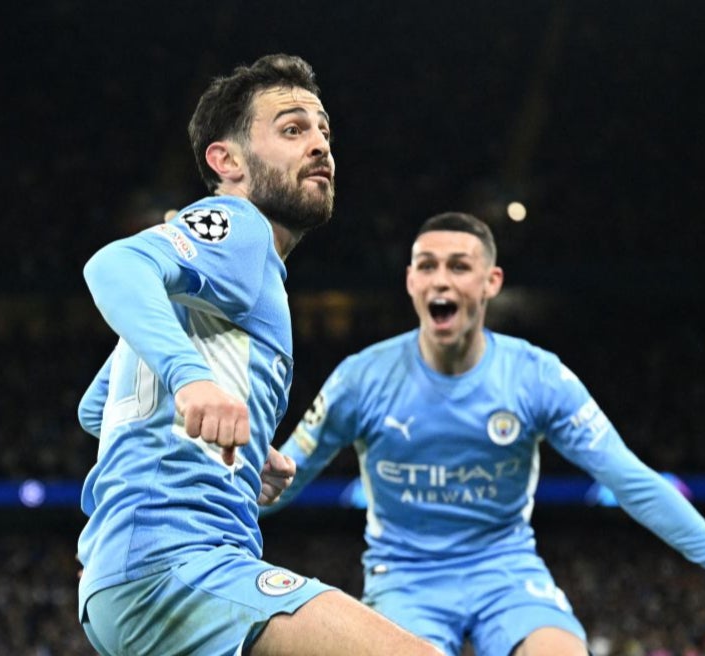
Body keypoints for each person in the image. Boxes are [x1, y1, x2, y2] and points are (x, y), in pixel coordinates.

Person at [264, 212, 705, 656]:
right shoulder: (361, 380)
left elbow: (631, 480)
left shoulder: (537, 377)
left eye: (459, 266)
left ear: (491, 282)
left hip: (506, 572)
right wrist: (213, 507)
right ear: (410, 281)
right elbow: (280, 483)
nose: (442, 280)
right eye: (427, 266)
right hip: (404, 578)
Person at [75, 53, 440, 656]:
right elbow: (113, 264)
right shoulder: (237, 225)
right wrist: (192, 379)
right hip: (175, 567)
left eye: (324, 130)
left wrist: (233, 431)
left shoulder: (220, 287)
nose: (320, 145)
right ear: (227, 161)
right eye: (293, 129)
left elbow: (100, 409)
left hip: (142, 579)